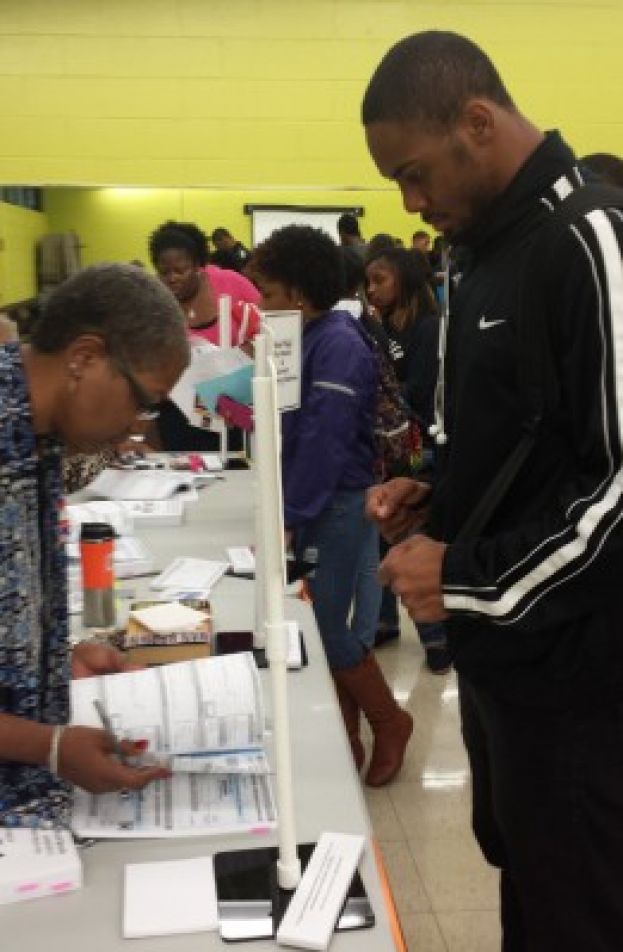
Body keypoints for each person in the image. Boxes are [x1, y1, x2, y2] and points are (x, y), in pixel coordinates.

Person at [363, 30, 623, 951]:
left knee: (579, 911)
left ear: (477, 121)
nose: (411, 202)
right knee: (530, 891)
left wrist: (464, 577)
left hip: (582, 689)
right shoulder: (478, 258)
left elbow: (616, 492)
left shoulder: (589, 238)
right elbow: (526, 446)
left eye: (414, 173)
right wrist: (433, 492)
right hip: (505, 673)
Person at [0, 263, 189, 827]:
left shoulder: (36, 437)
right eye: (142, 399)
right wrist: (51, 747)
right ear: (84, 358)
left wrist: (52, 657)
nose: (138, 423)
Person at [251, 225, 412, 786]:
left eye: (266, 292)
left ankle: (389, 721)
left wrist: (290, 518)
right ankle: (347, 738)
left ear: (297, 293)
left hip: (337, 502)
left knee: (323, 627)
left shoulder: (338, 343)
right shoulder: (306, 335)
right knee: (316, 623)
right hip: (309, 497)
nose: (259, 304)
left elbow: (325, 441)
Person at [365, 245, 449, 669]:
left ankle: (435, 635)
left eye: (380, 279)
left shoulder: (428, 327)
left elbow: (420, 390)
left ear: (406, 280)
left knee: (411, 533)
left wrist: (387, 400)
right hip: (390, 445)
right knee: (382, 527)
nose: (372, 289)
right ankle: (384, 620)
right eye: (369, 282)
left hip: (419, 445)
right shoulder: (382, 327)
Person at [148, 221, 260, 453]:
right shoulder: (153, 301)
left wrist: (249, 351)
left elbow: (268, 325)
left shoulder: (231, 283)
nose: (172, 278)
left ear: (199, 264)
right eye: (164, 272)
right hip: (178, 414)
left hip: (232, 411)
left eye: (181, 270)